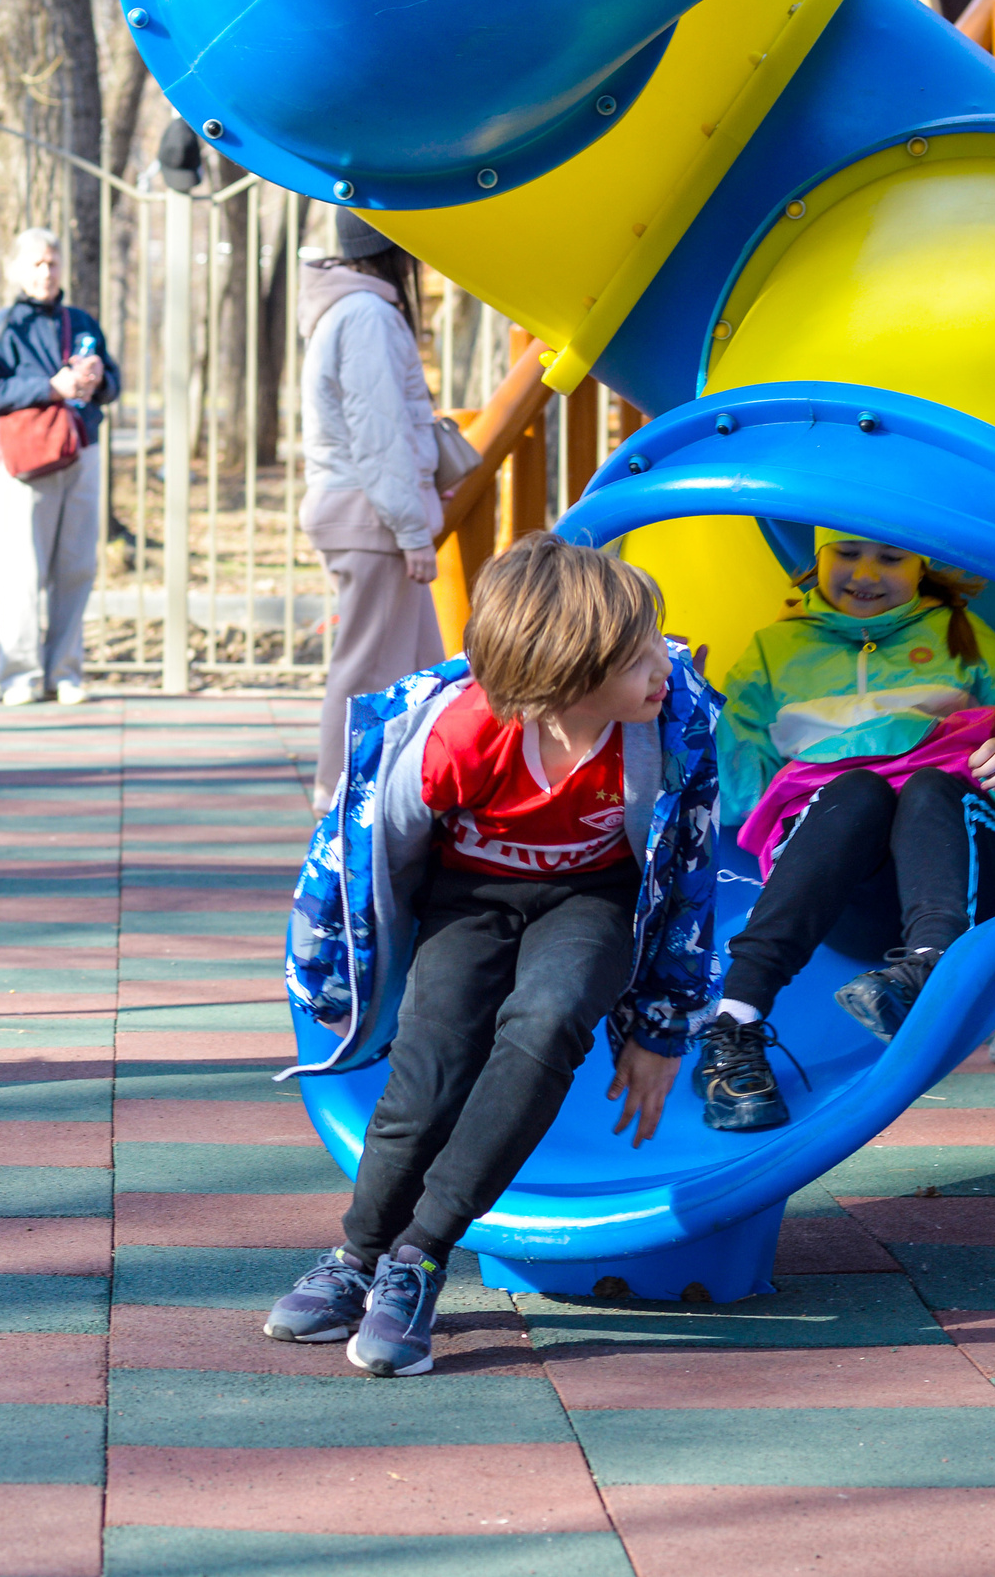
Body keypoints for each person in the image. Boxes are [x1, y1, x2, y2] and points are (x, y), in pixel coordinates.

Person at [272, 534, 718, 1376]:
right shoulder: (461, 736)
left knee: (547, 1020)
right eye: (639, 656)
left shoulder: (671, 721)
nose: (665, 662)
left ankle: (419, 1255)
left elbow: (690, 873)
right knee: (429, 1073)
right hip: (468, 897)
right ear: (567, 673)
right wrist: (334, 976)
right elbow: (356, 855)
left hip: (593, 897)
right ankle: (356, 1258)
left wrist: (662, 1026)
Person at [698, 530, 995, 1133]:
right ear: (818, 558)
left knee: (929, 786)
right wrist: (699, 718)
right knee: (857, 789)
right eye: (846, 553)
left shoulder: (965, 638)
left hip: (957, 864)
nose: (866, 573)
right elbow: (740, 795)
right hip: (845, 891)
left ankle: (945, 974)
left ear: (921, 563)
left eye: (890, 557)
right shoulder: (775, 649)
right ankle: (734, 1023)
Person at [299, 213, 447, 811]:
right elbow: (379, 435)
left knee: (420, 666)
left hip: (365, 509)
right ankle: (339, 795)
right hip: (372, 515)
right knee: (369, 668)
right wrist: (412, 530)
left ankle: (410, 797)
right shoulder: (368, 315)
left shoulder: (349, 308)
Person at [0, 228, 121, 706]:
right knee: (22, 572)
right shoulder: (1, 328)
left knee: (76, 567)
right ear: (17, 269)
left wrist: (96, 380)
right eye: (36, 263)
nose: (46, 272)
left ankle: (65, 673)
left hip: (81, 452)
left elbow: (114, 382)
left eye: (52, 263)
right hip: (25, 463)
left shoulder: (81, 322)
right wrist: (51, 387)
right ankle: (19, 676)